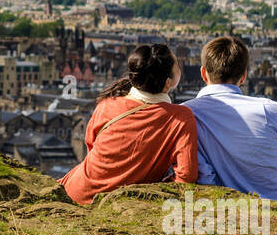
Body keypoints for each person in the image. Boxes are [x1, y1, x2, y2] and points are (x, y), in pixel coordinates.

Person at [59, 44, 197, 206]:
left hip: (76, 191)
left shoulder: (107, 104)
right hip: (115, 203)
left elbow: (92, 147)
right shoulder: (180, 118)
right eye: (177, 64)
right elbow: (186, 176)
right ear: (168, 83)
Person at [184, 36, 277, 207]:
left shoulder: (185, 115)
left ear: (203, 73)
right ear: (243, 77)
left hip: (227, 211)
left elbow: (201, 174)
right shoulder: (271, 110)